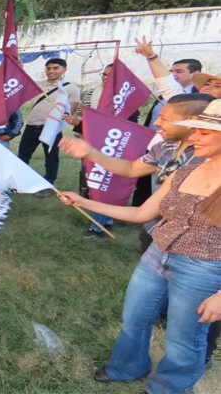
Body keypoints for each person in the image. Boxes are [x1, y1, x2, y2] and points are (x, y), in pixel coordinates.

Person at [57, 99, 221, 394]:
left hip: (203, 269)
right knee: (134, 319)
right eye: (195, 129)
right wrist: (83, 202)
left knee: (183, 339)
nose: (195, 136)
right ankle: (127, 367)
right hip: (156, 256)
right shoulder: (184, 172)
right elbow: (141, 213)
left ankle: (166, 388)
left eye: (204, 132)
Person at [60, 94, 214, 241]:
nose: (156, 122)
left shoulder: (211, 159)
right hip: (156, 230)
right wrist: (91, 153)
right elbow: (131, 169)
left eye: (164, 118)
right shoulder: (166, 146)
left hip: (195, 242)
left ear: (190, 121)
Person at [63, 63, 140, 238]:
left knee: (102, 185)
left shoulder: (126, 101)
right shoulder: (93, 92)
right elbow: (86, 117)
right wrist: (78, 123)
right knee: (94, 184)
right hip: (91, 145)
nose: (106, 78)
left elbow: (121, 127)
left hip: (112, 148)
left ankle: (98, 226)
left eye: (110, 75)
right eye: (104, 74)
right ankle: (105, 220)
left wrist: (81, 124)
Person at [18, 58, 81, 198]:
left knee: (51, 159)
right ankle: (20, 183)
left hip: (52, 129)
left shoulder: (71, 88)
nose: (51, 71)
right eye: (48, 68)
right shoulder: (36, 85)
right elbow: (19, 84)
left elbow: (70, 111)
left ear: (64, 69)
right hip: (32, 126)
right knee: (22, 157)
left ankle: (47, 185)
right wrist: (19, 69)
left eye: (55, 68)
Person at [135, 37, 221, 101]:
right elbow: (167, 85)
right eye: (207, 84)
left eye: (217, 86)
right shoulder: (189, 103)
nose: (208, 88)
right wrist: (151, 56)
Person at [144, 59, 202, 128]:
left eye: (179, 71)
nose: (173, 75)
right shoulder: (162, 96)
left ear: (195, 73)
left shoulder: (200, 98)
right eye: (171, 72)